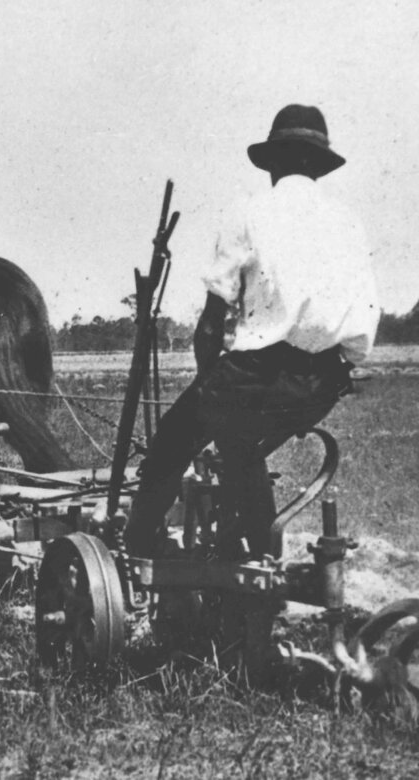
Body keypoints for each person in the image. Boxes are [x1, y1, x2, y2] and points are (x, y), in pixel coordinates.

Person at [125, 104, 380, 559]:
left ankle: (137, 552)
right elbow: (361, 333)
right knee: (241, 448)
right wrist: (339, 368)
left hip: (255, 376)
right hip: (321, 383)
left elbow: (210, 325)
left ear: (275, 162)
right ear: (318, 167)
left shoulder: (249, 213)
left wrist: (209, 384)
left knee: (169, 443)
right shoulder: (348, 223)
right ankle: (264, 551)